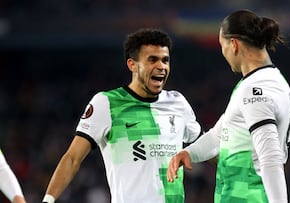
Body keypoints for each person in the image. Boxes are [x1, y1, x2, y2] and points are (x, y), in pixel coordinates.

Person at [42, 28, 202, 203]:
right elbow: (72, 158)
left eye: (165, 60)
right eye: (152, 60)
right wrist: (48, 200)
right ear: (132, 64)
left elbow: (208, 146)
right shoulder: (107, 103)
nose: (161, 66)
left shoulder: (178, 103)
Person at [167, 9, 290, 203]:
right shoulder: (259, 83)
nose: (222, 52)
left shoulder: (255, 90)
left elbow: (270, 158)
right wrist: (189, 153)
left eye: (222, 45)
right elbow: (220, 134)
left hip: (249, 197)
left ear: (233, 44)